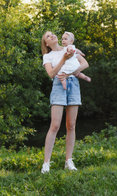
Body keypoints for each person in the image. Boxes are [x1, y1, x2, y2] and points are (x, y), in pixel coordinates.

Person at [40, 31, 89, 173]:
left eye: (52, 34)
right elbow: (51, 74)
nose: (52, 36)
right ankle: (46, 163)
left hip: (73, 84)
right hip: (58, 85)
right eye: (47, 37)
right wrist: (64, 59)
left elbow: (85, 63)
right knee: (55, 125)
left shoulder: (69, 47)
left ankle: (68, 160)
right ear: (46, 44)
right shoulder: (47, 56)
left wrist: (71, 72)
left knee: (71, 125)